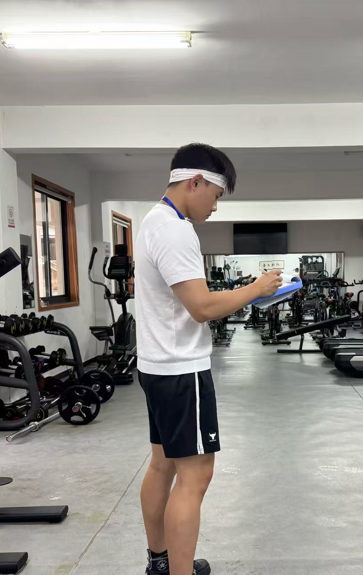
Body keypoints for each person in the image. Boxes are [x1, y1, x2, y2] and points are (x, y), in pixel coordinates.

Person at [134, 143, 282, 575]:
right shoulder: (176, 230)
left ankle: (161, 561)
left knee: (162, 465)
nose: (216, 207)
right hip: (181, 371)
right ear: (195, 182)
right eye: (216, 196)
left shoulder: (152, 220)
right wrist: (255, 290)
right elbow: (201, 308)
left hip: (156, 366)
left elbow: (188, 299)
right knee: (195, 475)